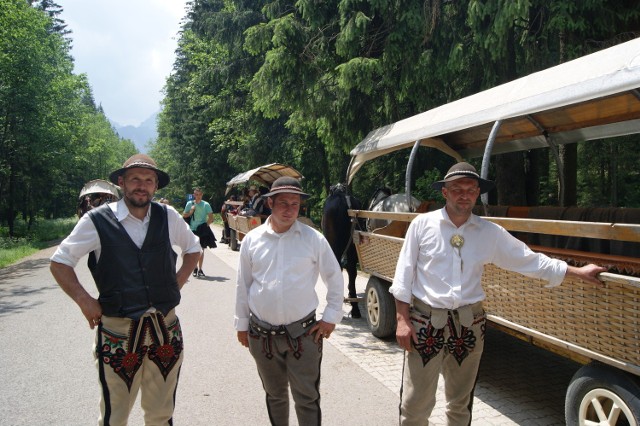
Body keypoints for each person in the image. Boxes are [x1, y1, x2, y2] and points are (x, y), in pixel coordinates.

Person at [391, 162, 606, 425]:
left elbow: (529, 260)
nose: (464, 194)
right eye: (457, 188)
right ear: (445, 193)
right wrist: (402, 319)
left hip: (469, 325)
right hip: (425, 322)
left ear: (477, 192)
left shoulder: (489, 233)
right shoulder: (422, 225)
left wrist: (577, 272)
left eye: (470, 189)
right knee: (415, 406)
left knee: (460, 405)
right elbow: (404, 273)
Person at [49, 153, 201, 425]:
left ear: (156, 186)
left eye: (148, 180)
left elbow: (193, 249)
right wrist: (85, 300)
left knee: (161, 413)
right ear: (122, 182)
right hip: (118, 332)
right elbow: (60, 262)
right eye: (135, 179)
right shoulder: (96, 221)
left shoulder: (168, 216)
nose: (141, 186)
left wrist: (175, 284)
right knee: (114, 415)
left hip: (165, 329)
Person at [235, 176, 344, 426]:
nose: (289, 209)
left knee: (307, 397)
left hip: (304, 336)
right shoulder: (252, 240)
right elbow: (244, 285)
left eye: (294, 204)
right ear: (270, 203)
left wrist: (330, 319)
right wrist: (242, 325)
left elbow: (335, 280)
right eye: (283, 202)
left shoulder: (313, 239)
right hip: (262, 336)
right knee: (275, 396)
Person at [183, 187, 214, 277]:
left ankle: (200, 269)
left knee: (201, 250)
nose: (198, 196)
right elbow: (184, 215)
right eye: (196, 194)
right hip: (192, 230)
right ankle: (194, 268)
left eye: (199, 194)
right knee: (193, 250)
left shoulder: (206, 204)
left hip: (202, 229)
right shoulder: (190, 203)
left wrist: (205, 226)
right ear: (193, 195)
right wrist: (191, 211)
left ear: (202, 194)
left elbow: (211, 218)